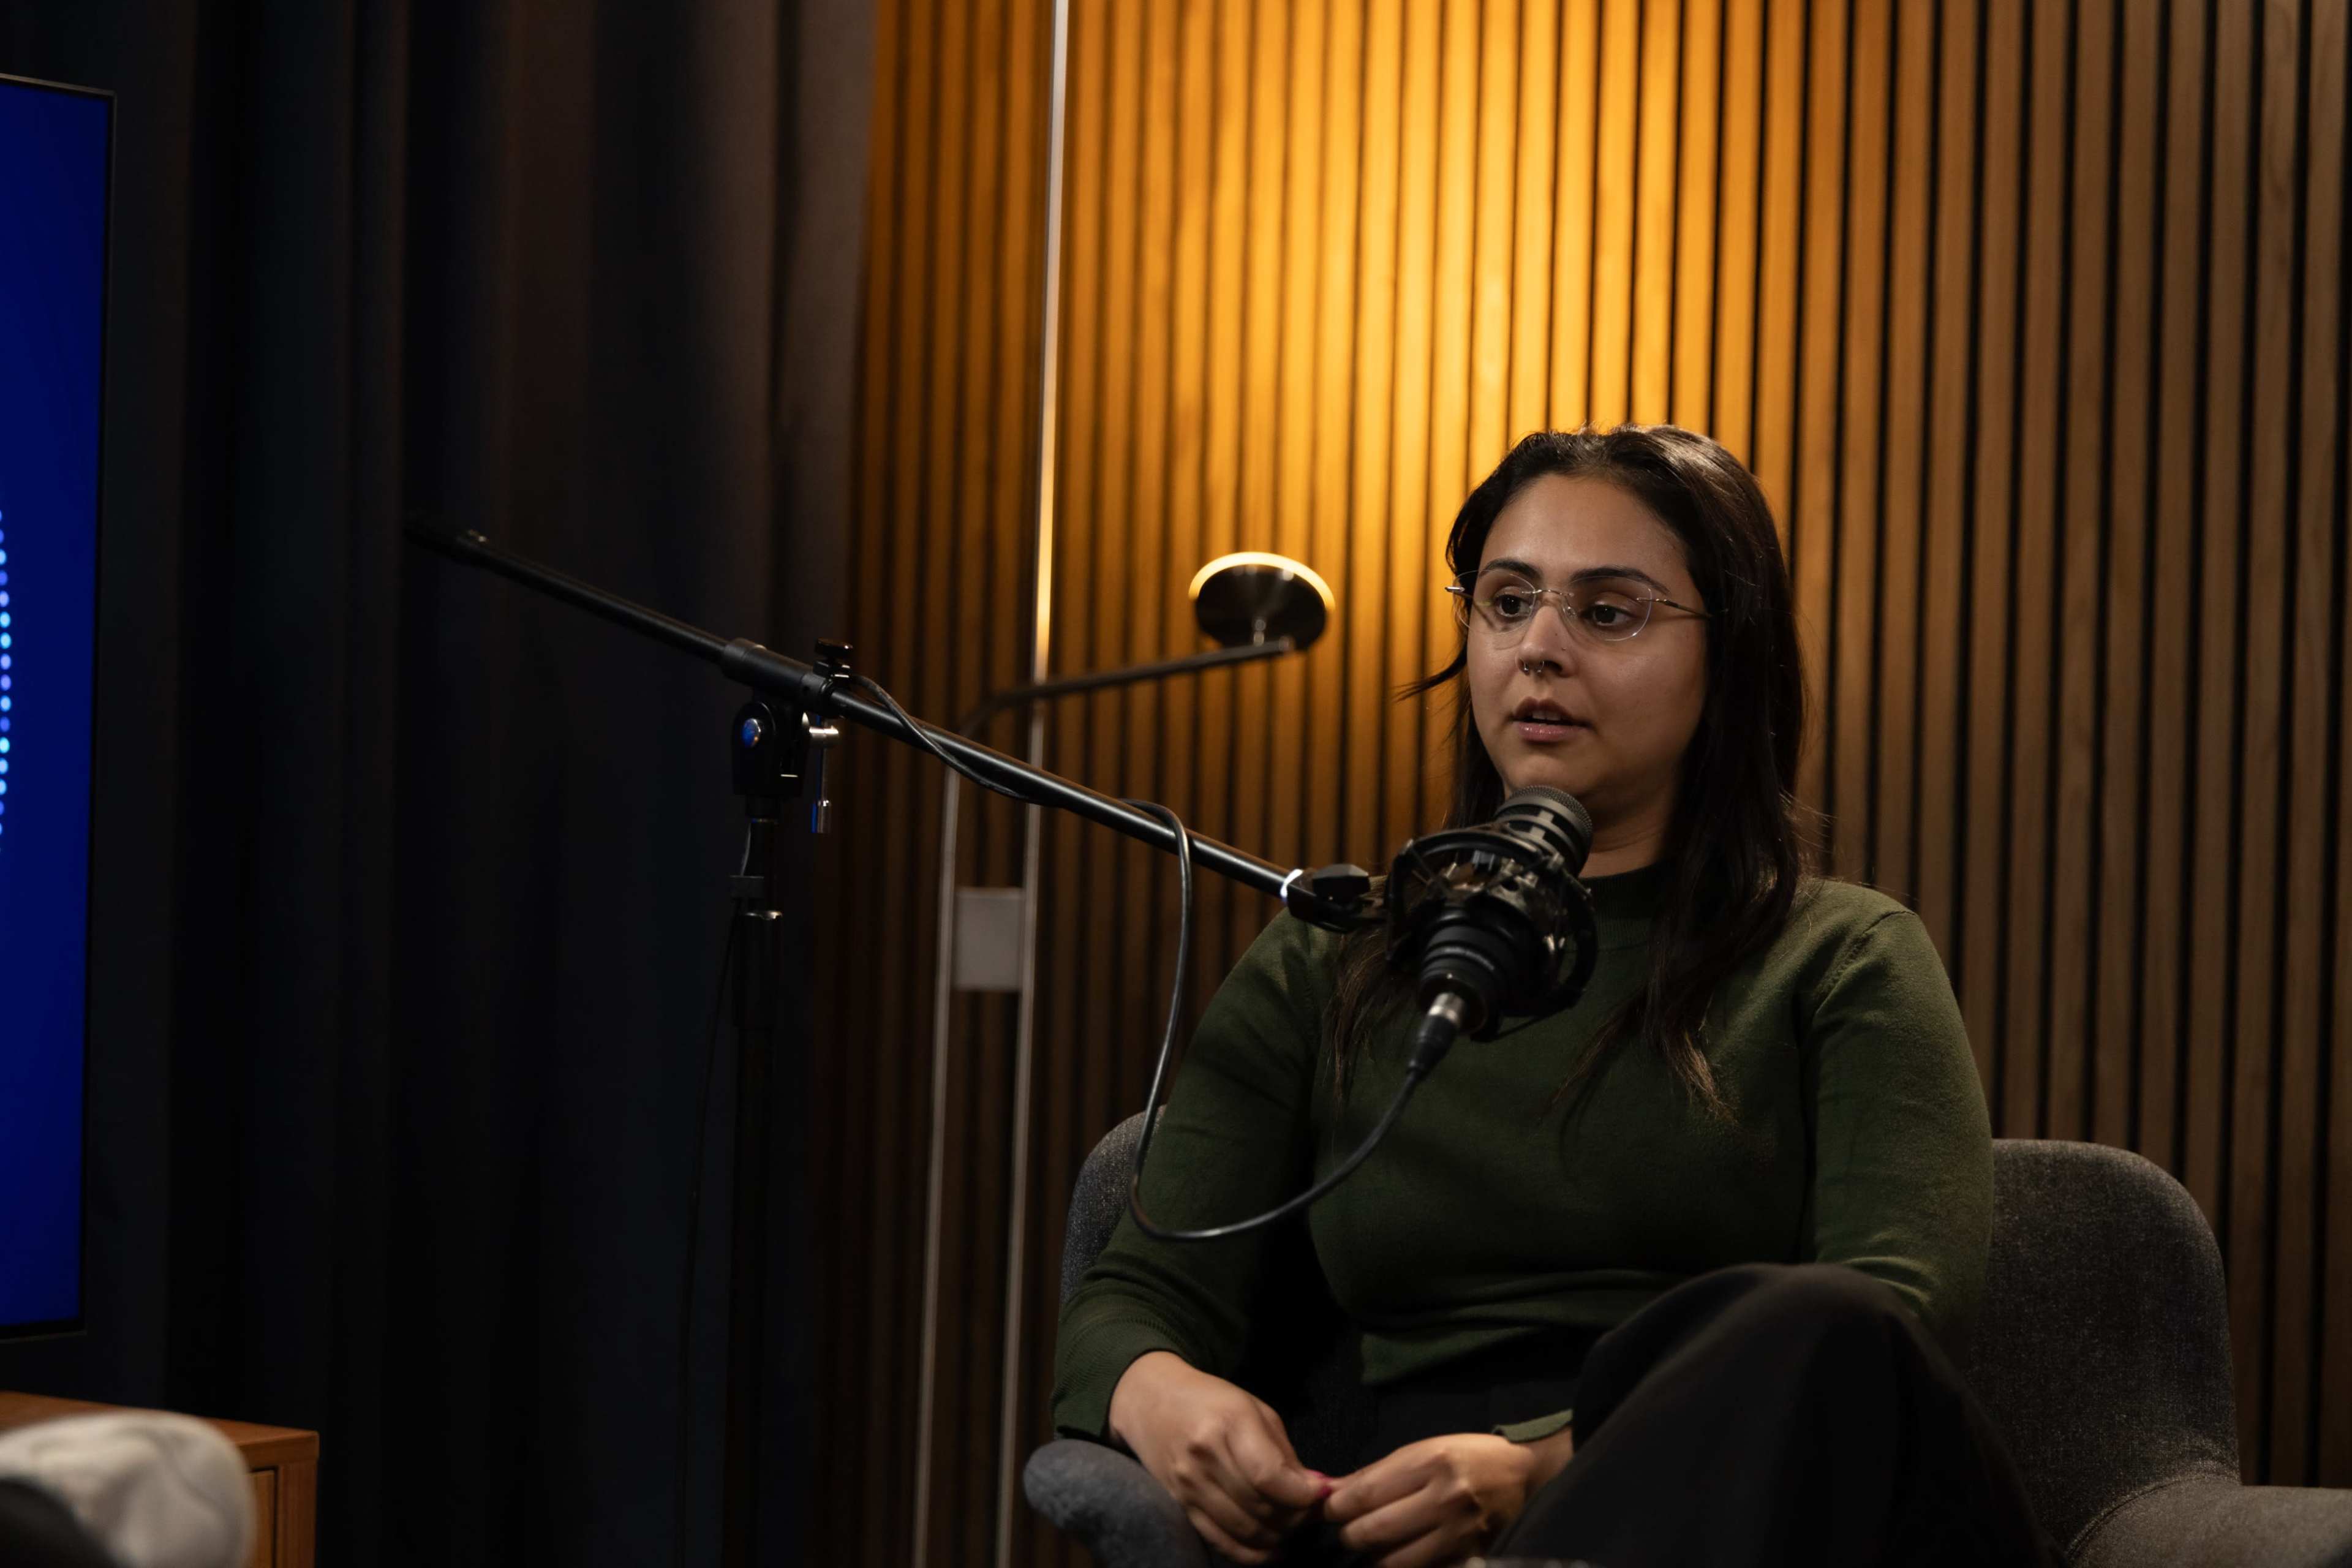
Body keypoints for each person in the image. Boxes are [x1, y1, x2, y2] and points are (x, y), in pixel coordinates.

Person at [1049, 426, 2054, 1567]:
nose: (1539, 648)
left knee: (1821, 1323)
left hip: (1778, 1501)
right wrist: (1164, 1397)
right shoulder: (1334, 958)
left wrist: (1539, 1470)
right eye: (1507, 600)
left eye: (1608, 612)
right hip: (1420, 1533)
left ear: (1732, 657)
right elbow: (1131, 1296)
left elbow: (1896, 1320)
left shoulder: (1842, 955)